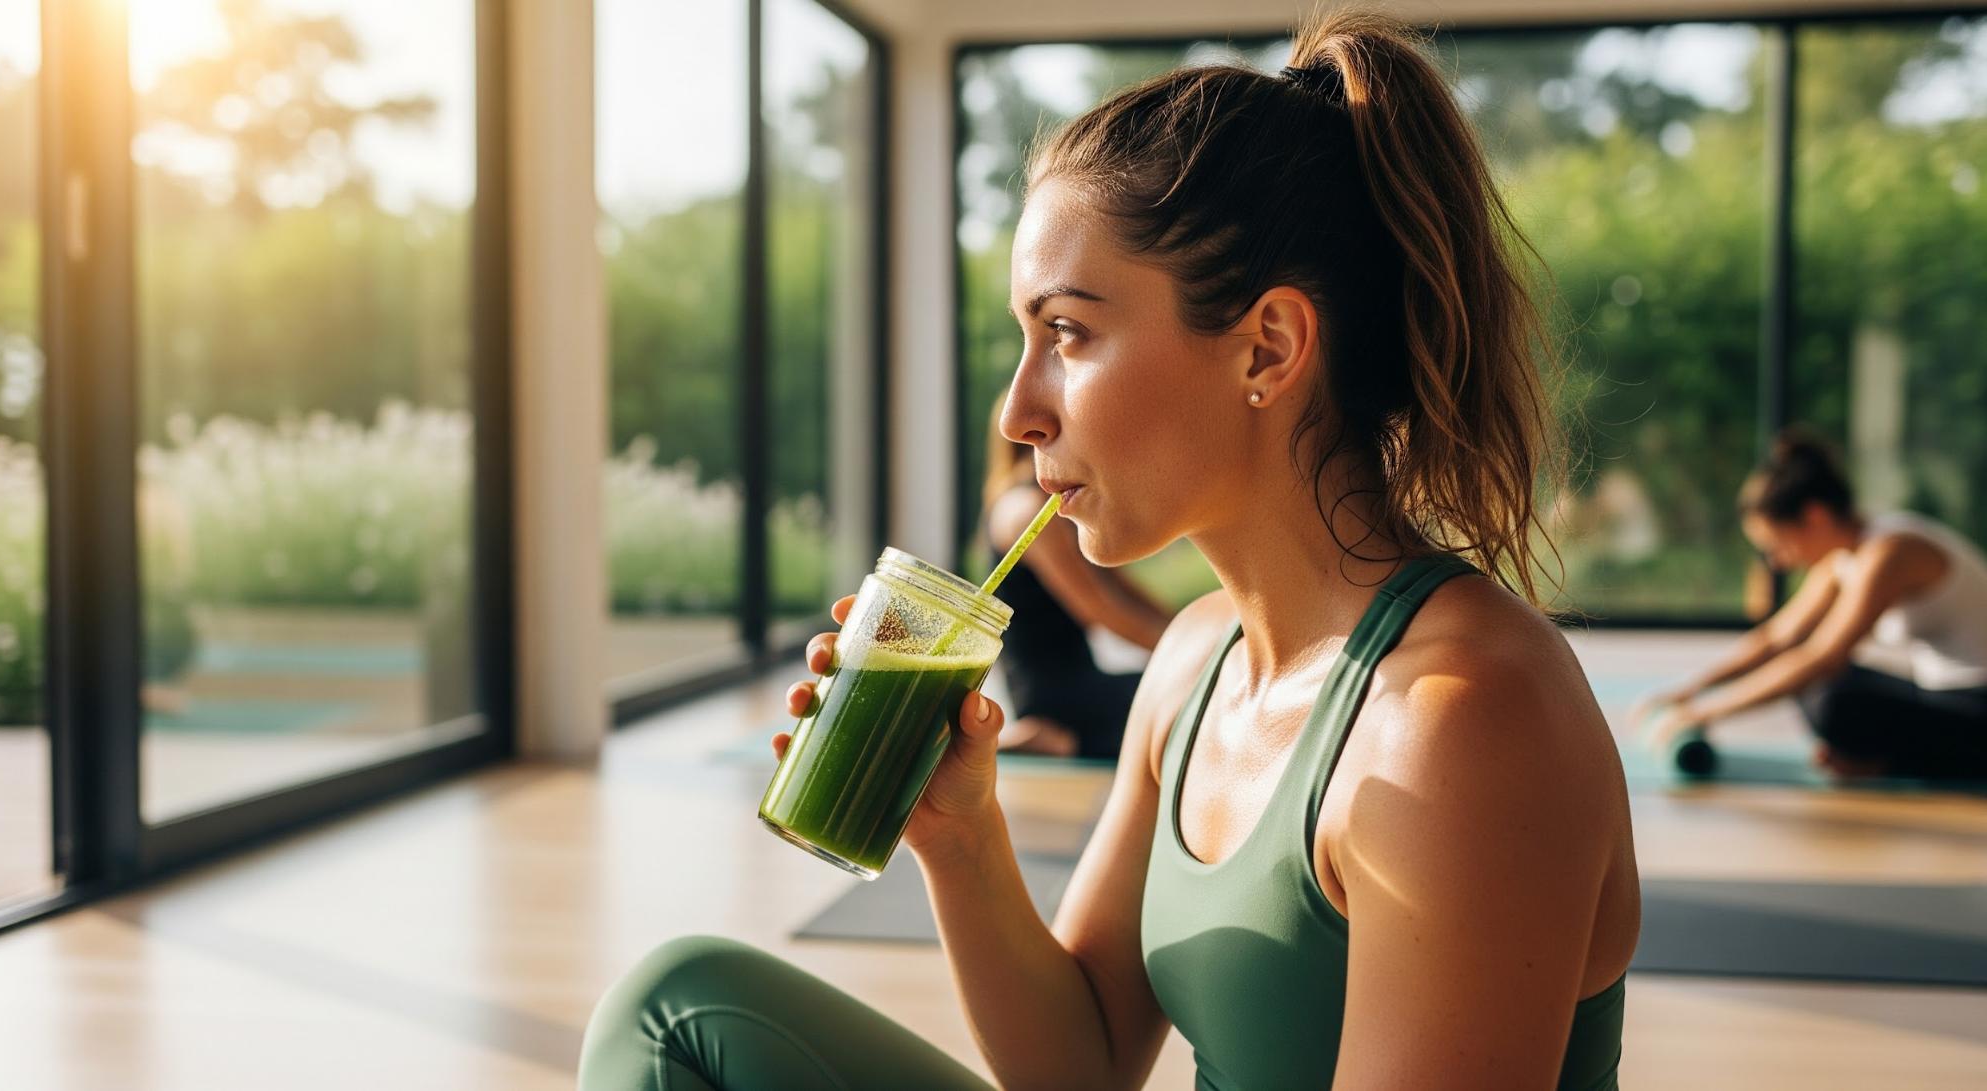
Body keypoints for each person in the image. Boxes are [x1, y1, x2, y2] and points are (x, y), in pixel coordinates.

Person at [580, 11, 1638, 1089]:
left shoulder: (1458, 721)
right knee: (681, 1005)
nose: (1016, 410)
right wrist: (961, 833)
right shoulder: (1194, 659)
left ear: (1265, 347)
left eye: (1068, 334)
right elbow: (1078, 1064)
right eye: (1022, 337)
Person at [1636, 430, 1987, 781]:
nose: (1776, 561)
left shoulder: (1890, 552)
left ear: (1815, 517)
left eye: (1778, 545)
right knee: (1813, 686)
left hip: (1977, 706)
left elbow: (1823, 655)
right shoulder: (1845, 556)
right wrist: (1687, 691)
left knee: (1832, 698)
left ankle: (1895, 761)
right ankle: (1891, 756)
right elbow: (1776, 637)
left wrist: (1704, 714)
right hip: (1941, 693)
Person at [982, 390, 1175, 758]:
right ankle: (1050, 738)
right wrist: (1193, 657)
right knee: (1180, 697)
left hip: (1083, 674)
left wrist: (1196, 634)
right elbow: (1098, 607)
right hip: (1055, 696)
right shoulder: (1022, 512)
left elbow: (1119, 588)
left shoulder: (1054, 506)